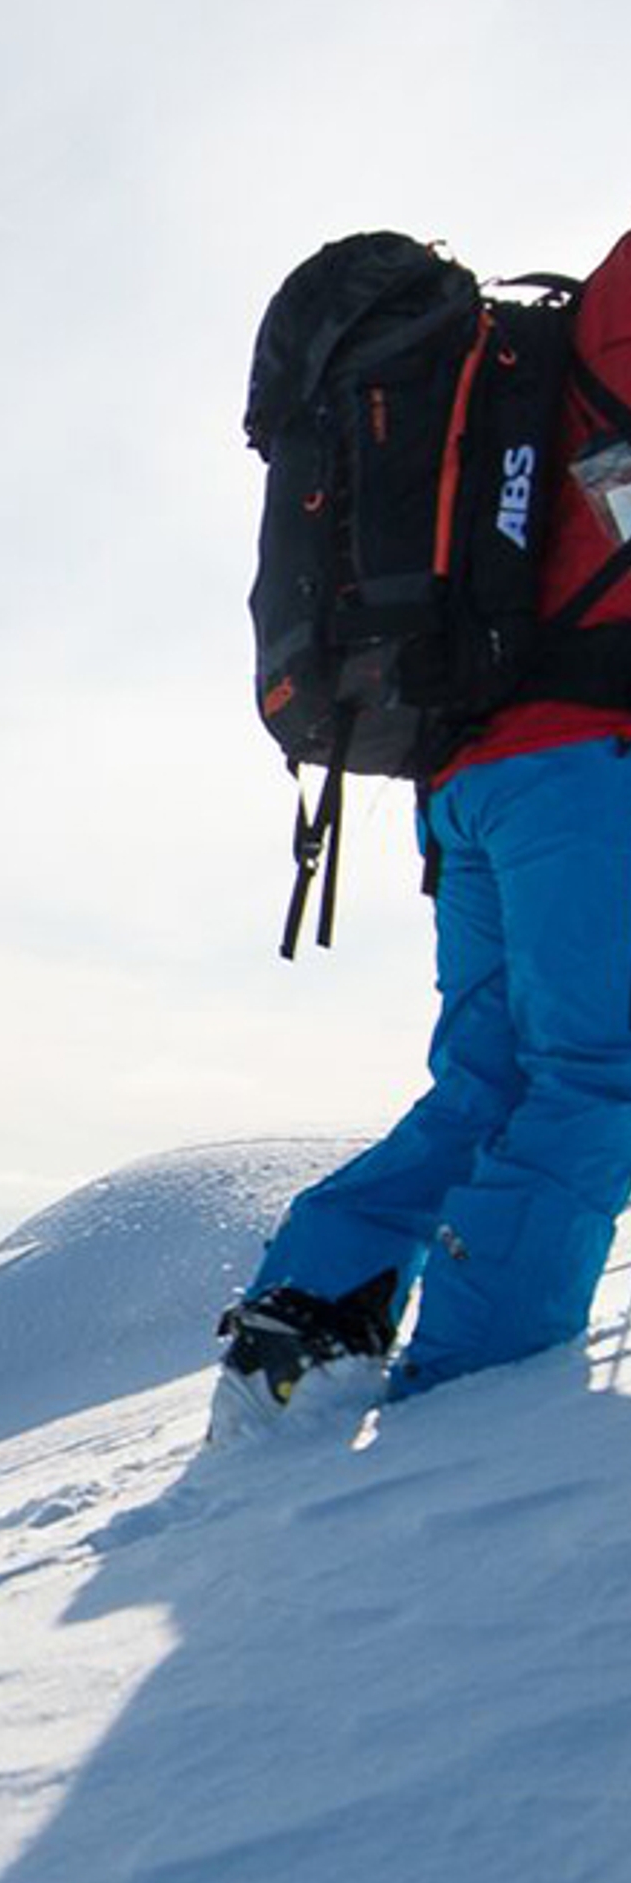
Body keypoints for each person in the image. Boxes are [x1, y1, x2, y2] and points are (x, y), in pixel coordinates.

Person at [223, 235, 631, 1411]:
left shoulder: (540, 347)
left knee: (489, 1076)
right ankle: (473, 1401)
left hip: (465, 778)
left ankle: (306, 1307)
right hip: (581, 766)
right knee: (599, 1076)